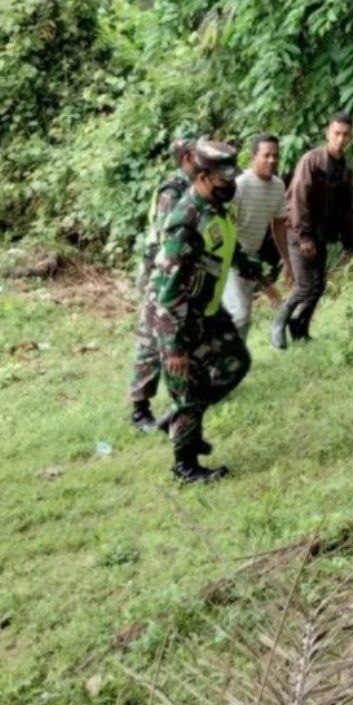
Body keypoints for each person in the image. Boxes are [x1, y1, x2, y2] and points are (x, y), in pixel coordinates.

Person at [148, 138, 254, 483]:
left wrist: (256, 273)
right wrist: (174, 347)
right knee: (188, 390)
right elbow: (169, 291)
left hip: (207, 309)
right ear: (204, 178)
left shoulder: (216, 208)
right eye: (224, 180)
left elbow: (227, 246)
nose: (231, 185)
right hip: (178, 318)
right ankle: (186, 466)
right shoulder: (186, 222)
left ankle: (180, 417)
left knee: (236, 362)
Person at [127, 135, 197, 432]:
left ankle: (182, 401)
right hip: (161, 275)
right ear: (186, 158)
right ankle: (140, 410)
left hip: (178, 274)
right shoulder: (173, 190)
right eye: (198, 153)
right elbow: (167, 237)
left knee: (173, 338)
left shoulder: (193, 186)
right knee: (151, 341)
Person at [270, 112, 353, 349]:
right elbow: (298, 200)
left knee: (318, 286)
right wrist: (304, 236)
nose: (340, 139)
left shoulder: (346, 168)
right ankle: (278, 324)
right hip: (299, 232)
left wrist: (348, 240)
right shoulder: (312, 160)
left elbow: (346, 207)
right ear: (328, 133)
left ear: (351, 137)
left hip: (321, 234)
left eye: (345, 135)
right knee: (305, 286)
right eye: (336, 133)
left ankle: (300, 329)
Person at [222, 133, 292, 336]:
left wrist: (287, 260)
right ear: (254, 157)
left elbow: (279, 226)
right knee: (240, 314)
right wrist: (264, 282)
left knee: (242, 316)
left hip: (250, 255)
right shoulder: (240, 184)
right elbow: (226, 229)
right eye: (266, 155)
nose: (272, 160)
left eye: (275, 155)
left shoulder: (278, 186)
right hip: (229, 255)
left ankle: (232, 354)